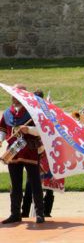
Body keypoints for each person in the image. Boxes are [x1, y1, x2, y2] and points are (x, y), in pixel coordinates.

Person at [0, 84, 45, 224]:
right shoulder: (7, 112)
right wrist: (0, 140)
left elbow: (40, 131)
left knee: (35, 183)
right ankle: (15, 213)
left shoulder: (33, 111)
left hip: (29, 151)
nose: (15, 97)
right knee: (15, 185)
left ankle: (40, 214)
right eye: (13, 94)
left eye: (18, 94)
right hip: (13, 151)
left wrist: (28, 130)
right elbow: (3, 129)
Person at [21, 89, 54, 218]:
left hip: (48, 152)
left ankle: (46, 212)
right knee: (31, 182)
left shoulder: (47, 113)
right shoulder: (29, 114)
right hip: (35, 151)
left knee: (49, 182)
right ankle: (25, 212)